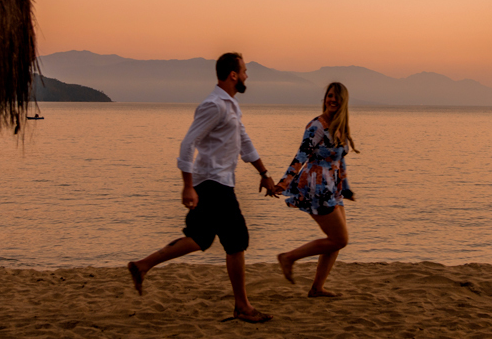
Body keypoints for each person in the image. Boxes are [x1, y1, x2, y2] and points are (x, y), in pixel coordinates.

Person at [128, 52, 277, 323]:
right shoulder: (214, 105)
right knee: (236, 241)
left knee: (199, 238)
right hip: (213, 183)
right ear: (233, 75)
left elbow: (245, 143)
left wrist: (264, 173)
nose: (246, 75)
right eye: (244, 71)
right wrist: (188, 186)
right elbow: (188, 143)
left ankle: (142, 265)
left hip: (216, 182)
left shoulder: (230, 105)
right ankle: (242, 306)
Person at [272, 82, 358, 297]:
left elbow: (340, 160)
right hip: (316, 186)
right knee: (340, 239)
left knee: (336, 241)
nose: (332, 100)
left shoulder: (340, 126)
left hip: (333, 188)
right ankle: (288, 257)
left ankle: (317, 287)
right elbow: (301, 155)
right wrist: (284, 182)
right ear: (325, 99)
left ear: (343, 101)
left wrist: (345, 188)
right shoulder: (316, 126)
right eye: (329, 96)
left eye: (336, 97)